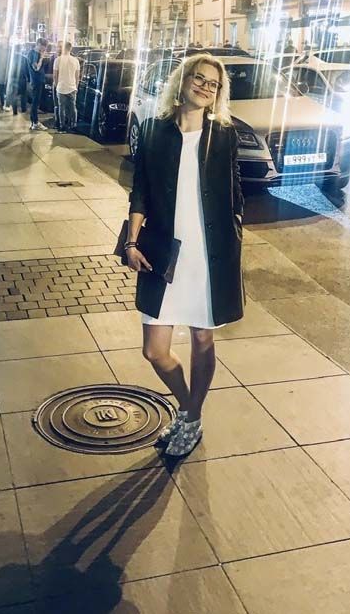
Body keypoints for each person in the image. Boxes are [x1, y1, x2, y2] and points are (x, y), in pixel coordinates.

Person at [126, 54, 245, 458]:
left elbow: (235, 193)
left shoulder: (224, 135)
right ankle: (189, 410)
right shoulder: (154, 130)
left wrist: (236, 232)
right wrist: (131, 242)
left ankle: (190, 419)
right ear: (183, 80)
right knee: (155, 350)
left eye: (213, 84)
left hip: (209, 254)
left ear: (218, 94)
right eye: (199, 78)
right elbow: (140, 190)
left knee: (202, 338)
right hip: (164, 253)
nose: (205, 87)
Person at [53, 41, 80, 132]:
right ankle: (74, 124)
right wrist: (76, 86)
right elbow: (77, 76)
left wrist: (57, 85)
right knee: (73, 107)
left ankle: (62, 125)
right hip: (72, 87)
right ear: (70, 49)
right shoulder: (75, 61)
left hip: (61, 87)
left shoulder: (57, 60)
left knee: (61, 108)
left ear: (63, 48)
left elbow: (55, 75)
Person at [28, 37, 49, 131]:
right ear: (39, 45)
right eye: (44, 47)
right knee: (35, 103)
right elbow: (36, 68)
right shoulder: (33, 54)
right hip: (36, 81)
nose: (45, 49)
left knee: (36, 102)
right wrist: (41, 57)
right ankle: (35, 123)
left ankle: (33, 122)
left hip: (38, 80)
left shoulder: (35, 53)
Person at [8, 45, 29, 115]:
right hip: (22, 78)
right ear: (21, 49)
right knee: (23, 95)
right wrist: (28, 79)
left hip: (13, 78)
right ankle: (23, 109)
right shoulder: (24, 58)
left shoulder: (11, 58)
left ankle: (15, 110)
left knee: (14, 95)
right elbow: (27, 70)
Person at [0, 42, 11, 111]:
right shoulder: (1, 51)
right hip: (3, 73)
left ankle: (5, 104)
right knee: (3, 89)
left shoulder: (8, 51)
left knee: (5, 90)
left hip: (7, 73)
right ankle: (3, 104)